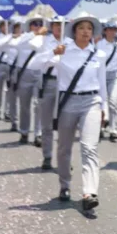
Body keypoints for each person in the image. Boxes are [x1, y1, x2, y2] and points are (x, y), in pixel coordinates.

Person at [52, 12, 108, 213]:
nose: (86, 32)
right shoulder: (63, 51)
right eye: (82, 28)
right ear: (74, 31)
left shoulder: (99, 55)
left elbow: (102, 84)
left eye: (89, 28)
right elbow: (38, 65)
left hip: (91, 102)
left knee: (89, 147)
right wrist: (53, 54)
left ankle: (89, 192)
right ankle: (65, 184)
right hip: (68, 102)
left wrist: (105, 109)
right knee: (64, 148)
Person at [33, 16, 66, 169]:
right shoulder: (44, 41)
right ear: (51, 26)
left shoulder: (71, 42)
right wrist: (53, 53)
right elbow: (36, 62)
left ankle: (64, 159)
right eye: (56, 24)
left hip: (67, 85)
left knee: (66, 125)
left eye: (62, 24)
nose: (59, 27)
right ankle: (47, 156)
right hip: (49, 83)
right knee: (46, 123)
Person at [13, 15, 46, 145]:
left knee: (39, 105)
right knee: (24, 105)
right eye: (35, 24)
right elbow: (18, 44)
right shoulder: (25, 37)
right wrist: (35, 34)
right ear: (30, 26)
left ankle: (38, 133)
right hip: (25, 72)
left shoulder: (45, 38)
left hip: (39, 73)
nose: (38, 26)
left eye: (40, 24)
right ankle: (24, 131)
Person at [96, 20, 117, 142]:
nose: (112, 32)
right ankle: (100, 126)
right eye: (109, 30)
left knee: (113, 102)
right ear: (105, 31)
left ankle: (113, 128)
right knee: (100, 102)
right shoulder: (98, 44)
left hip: (114, 75)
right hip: (100, 76)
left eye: (114, 30)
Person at [3, 17, 25, 132]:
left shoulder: (27, 39)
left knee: (25, 100)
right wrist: (10, 37)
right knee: (13, 96)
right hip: (12, 70)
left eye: (21, 28)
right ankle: (14, 121)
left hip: (25, 70)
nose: (19, 30)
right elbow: (0, 45)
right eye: (17, 28)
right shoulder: (9, 39)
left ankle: (25, 125)